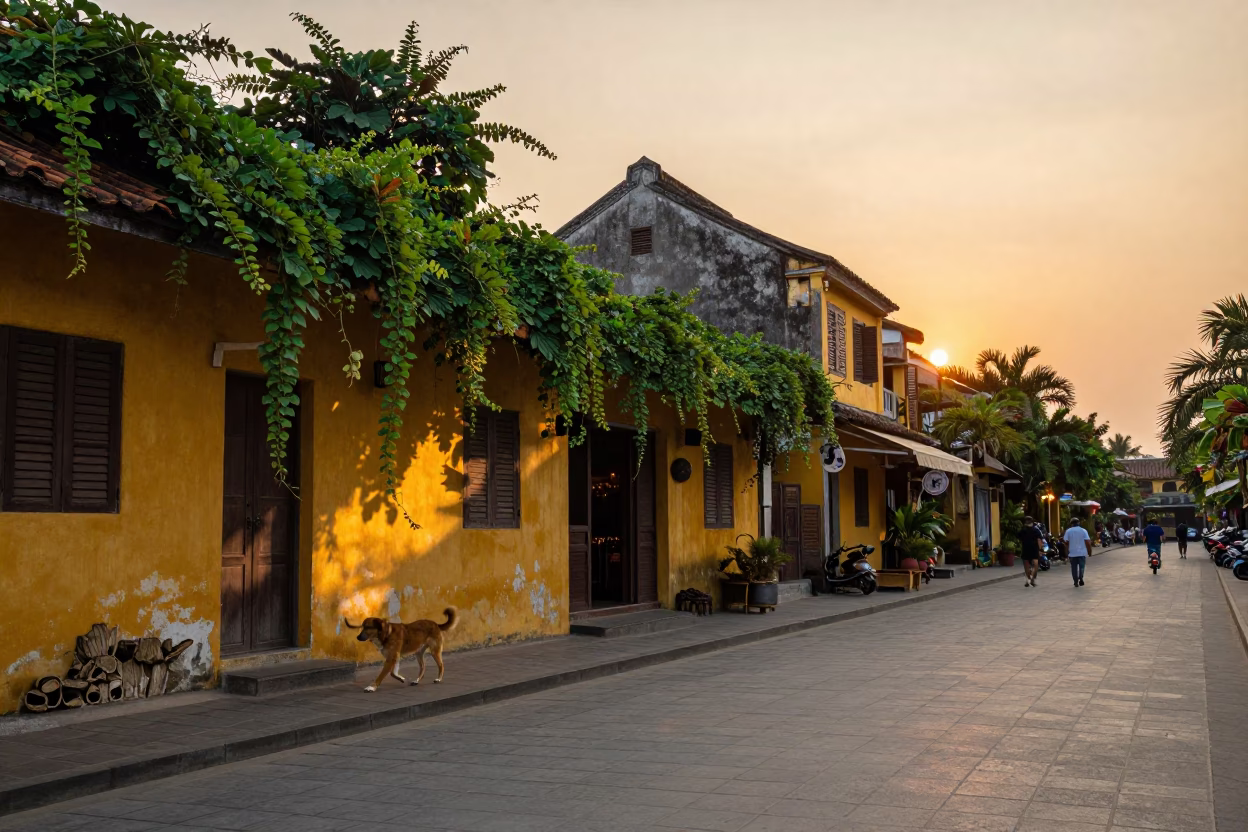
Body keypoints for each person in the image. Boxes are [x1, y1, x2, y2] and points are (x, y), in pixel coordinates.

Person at [1063, 517, 1093, 587]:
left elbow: (1066, 543)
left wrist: (1066, 552)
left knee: (1074, 568)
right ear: (1079, 523)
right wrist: (1089, 551)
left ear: (1071, 524)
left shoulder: (1068, 531)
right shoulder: (1083, 530)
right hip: (1082, 553)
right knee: (1082, 567)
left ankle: (1075, 581)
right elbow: (1087, 542)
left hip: (1072, 553)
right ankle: (1081, 577)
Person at [1019, 515, 1044, 587]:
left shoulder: (1022, 530)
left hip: (1025, 549)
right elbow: (1039, 540)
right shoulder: (1036, 530)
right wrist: (1040, 549)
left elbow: (1019, 538)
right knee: (1036, 564)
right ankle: (1032, 578)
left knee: (1026, 565)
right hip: (1034, 549)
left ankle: (1028, 579)